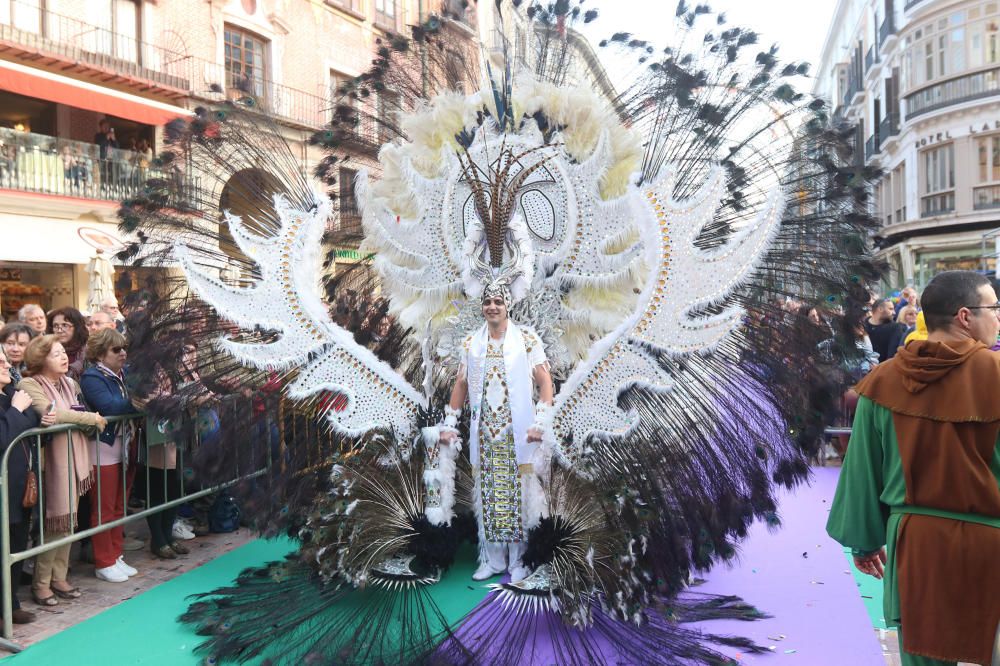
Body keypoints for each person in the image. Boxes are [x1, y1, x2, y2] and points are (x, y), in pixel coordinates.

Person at [827, 270, 1000, 666]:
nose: (999, 316)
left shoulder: (882, 381)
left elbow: (863, 471)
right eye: (994, 307)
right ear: (964, 316)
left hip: (916, 546)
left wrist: (864, 542)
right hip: (991, 545)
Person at [439, 284, 554, 583]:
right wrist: (450, 422)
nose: (492, 306)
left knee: (517, 499)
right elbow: (461, 386)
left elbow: (545, 382)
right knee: (488, 497)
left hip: (518, 434)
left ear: (508, 306)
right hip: (485, 435)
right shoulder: (471, 344)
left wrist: (541, 420)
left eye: (498, 302)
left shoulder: (527, 340)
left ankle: (518, 561)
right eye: (488, 301)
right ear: (482, 307)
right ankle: (491, 560)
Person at [18, 335, 106, 606]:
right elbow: (50, 412)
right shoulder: (29, 383)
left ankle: (59, 576)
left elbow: (64, 414)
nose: (63, 357)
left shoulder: (71, 383)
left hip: (75, 461)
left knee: (68, 523)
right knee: (54, 524)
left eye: (63, 352)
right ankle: (42, 583)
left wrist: (80, 418)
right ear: (40, 358)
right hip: (49, 465)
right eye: (55, 353)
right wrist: (89, 418)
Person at [0, 348, 55, 624]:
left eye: (5, 361)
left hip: (21, 485)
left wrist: (34, 418)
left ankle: (11, 604)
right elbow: (4, 436)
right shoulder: (14, 401)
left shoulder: (11, 394)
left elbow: (31, 424)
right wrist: (17, 411)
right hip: (3, 488)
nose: (5, 364)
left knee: (18, 544)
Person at [79, 329, 139, 583]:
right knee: (103, 509)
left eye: (124, 348)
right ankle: (104, 561)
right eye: (117, 349)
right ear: (101, 353)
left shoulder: (121, 375)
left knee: (117, 506)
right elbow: (110, 406)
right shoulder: (93, 376)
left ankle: (115, 555)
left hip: (123, 447)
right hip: (102, 451)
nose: (123, 353)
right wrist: (139, 400)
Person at [133, 365, 190, 559]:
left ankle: (168, 535)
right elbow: (143, 400)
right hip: (154, 439)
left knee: (173, 490)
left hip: (175, 437)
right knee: (157, 490)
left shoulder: (175, 370)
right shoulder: (145, 371)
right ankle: (158, 540)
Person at [47, 307, 88, 381]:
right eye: (56, 326)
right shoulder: (46, 352)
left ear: (77, 327)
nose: (59, 330)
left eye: (65, 325)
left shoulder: (88, 351)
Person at [864, 298, 907, 362]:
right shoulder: (862, 326)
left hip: (884, 369)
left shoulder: (895, 328)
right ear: (880, 309)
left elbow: (893, 355)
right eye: (891, 309)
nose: (894, 313)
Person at [94, 119, 118, 187]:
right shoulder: (98, 136)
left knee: (112, 174)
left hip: (111, 158)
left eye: (107, 126)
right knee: (102, 173)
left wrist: (114, 139)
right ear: (101, 127)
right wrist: (106, 138)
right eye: (104, 126)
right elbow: (99, 145)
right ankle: (102, 187)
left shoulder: (111, 136)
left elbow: (117, 147)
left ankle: (112, 187)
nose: (106, 128)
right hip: (102, 157)